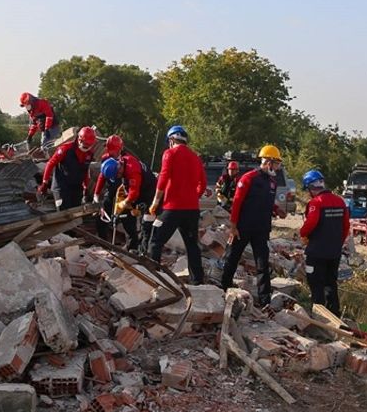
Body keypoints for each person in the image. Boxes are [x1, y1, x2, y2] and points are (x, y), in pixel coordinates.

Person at [220, 145, 285, 306]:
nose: (277, 168)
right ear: (268, 162)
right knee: (232, 259)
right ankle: (223, 290)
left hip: (261, 230)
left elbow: (268, 203)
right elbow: (237, 203)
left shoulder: (272, 182)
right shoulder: (248, 178)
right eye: (276, 164)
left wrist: (277, 210)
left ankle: (265, 301)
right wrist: (233, 226)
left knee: (262, 264)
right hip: (243, 228)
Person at [147, 125, 207, 285]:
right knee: (192, 246)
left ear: (172, 139)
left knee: (155, 241)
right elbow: (203, 183)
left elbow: (163, 177)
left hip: (172, 209)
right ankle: (197, 282)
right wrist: (193, 197)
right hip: (192, 210)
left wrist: (155, 202)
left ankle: (154, 279)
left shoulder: (170, 153)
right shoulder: (195, 157)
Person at [299, 169, 351, 316]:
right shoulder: (340, 201)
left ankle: (319, 315)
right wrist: (338, 243)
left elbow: (310, 224)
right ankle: (334, 313)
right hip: (334, 252)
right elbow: (346, 226)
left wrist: (302, 234)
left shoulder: (316, 202)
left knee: (316, 284)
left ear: (310, 187)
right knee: (331, 284)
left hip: (316, 252)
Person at [40, 126, 97, 210]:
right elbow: (50, 164)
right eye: (85, 145)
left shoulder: (89, 154)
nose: (87, 148)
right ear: (79, 140)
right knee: (63, 212)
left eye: (89, 146)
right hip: (61, 186)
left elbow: (85, 170)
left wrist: (85, 187)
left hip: (76, 187)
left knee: (76, 212)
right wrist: (45, 182)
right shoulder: (65, 149)